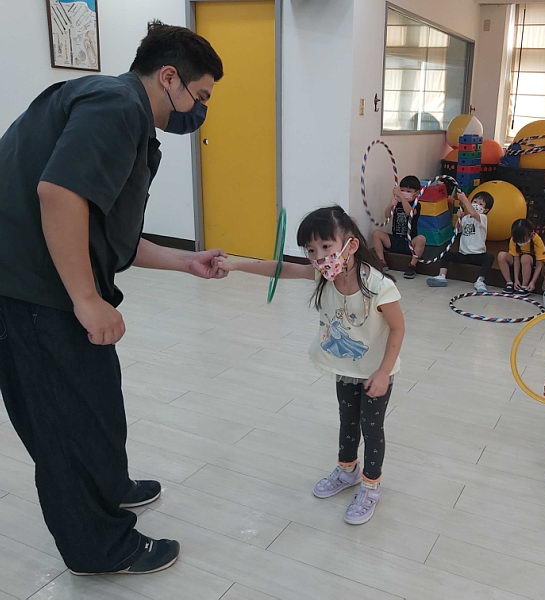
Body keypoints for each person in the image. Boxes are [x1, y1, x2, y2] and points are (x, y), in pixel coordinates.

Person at [0, 22, 224, 575]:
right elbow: (59, 195)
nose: (199, 110)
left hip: (42, 282)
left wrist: (185, 260)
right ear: (169, 77)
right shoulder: (117, 106)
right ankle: (99, 550)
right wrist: (85, 298)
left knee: (97, 403)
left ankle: (110, 486)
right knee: (66, 422)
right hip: (32, 292)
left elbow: (104, 228)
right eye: (200, 95)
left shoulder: (111, 104)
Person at [216, 206, 404, 525]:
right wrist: (234, 264)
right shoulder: (323, 275)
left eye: (326, 246)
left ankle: (371, 486)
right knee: (347, 421)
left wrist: (384, 372)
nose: (319, 257)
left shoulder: (379, 285)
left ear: (350, 245)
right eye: (311, 250)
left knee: (371, 429)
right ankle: (347, 471)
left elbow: (398, 329)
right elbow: (279, 268)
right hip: (346, 368)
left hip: (375, 372)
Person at [426, 191, 494, 292]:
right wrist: (459, 218)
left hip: (478, 254)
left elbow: (474, 213)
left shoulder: (482, 218)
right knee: (446, 254)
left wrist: (464, 200)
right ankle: (442, 276)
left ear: (486, 210)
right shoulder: (466, 218)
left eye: (480, 204)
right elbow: (457, 230)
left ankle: (480, 281)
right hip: (463, 253)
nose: (476, 205)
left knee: (489, 257)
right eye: (475, 202)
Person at [371, 175, 426, 279]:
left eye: (408, 191)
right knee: (376, 234)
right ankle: (381, 262)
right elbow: (387, 215)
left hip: (409, 243)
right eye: (402, 190)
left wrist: (401, 196)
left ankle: (412, 265)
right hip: (395, 240)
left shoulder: (416, 205)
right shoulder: (397, 203)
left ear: (416, 193)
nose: (404, 193)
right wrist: (391, 205)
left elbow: (409, 212)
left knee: (421, 239)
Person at [497, 218, 545, 296]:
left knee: (525, 257)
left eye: (522, 240)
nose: (520, 242)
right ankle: (509, 283)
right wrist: (516, 279)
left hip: (530, 262)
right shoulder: (514, 239)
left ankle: (524, 286)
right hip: (519, 261)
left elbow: (539, 264)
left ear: (531, 234)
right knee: (501, 255)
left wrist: (533, 282)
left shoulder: (536, 240)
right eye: (518, 240)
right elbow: (516, 259)